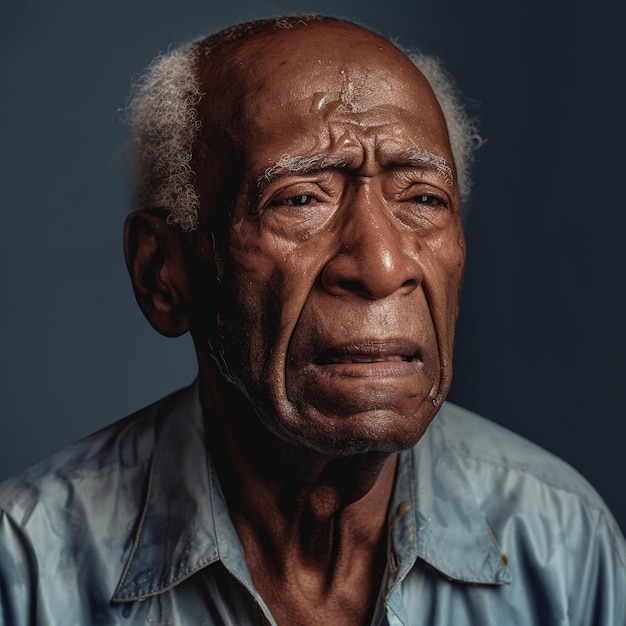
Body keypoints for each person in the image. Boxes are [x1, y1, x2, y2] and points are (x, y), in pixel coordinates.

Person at [1, 14, 624, 626]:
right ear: (163, 273)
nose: (382, 267)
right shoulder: (25, 565)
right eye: (301, 199)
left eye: (423, 199)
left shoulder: (560, 538)